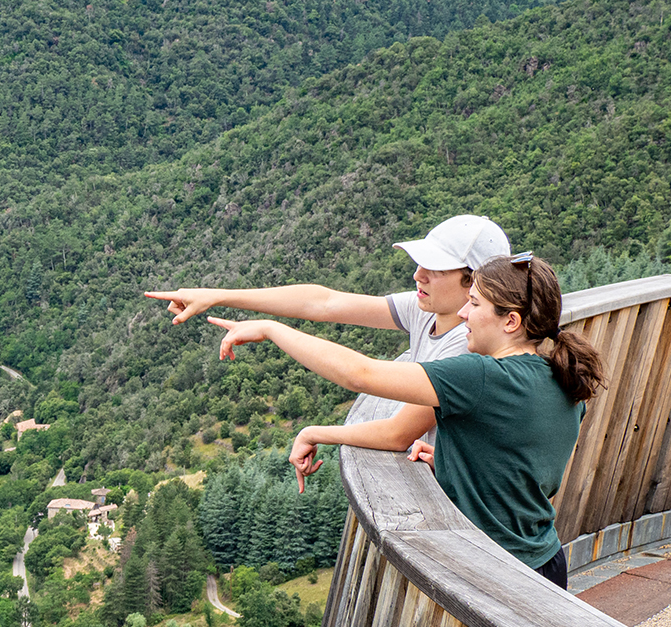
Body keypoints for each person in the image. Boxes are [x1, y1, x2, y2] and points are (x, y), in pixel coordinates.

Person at [206, 255, 604, 587]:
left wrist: (272, 330)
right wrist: (457, 461)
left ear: (511, 322)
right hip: (546, 563)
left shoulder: (480, 376)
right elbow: (525, 466)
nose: (464, 312)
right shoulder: (560, 376)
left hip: (496, 572)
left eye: (476, 304)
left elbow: (361, 374)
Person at [146, 214, 511, 454]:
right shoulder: (427, 309)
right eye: (420, 264)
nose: (418, 275)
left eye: (435, 269)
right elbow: (324, 303)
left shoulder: (468, 346)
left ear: (474, 283)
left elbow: (397, 433)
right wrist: (217, 296)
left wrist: (316, 431)